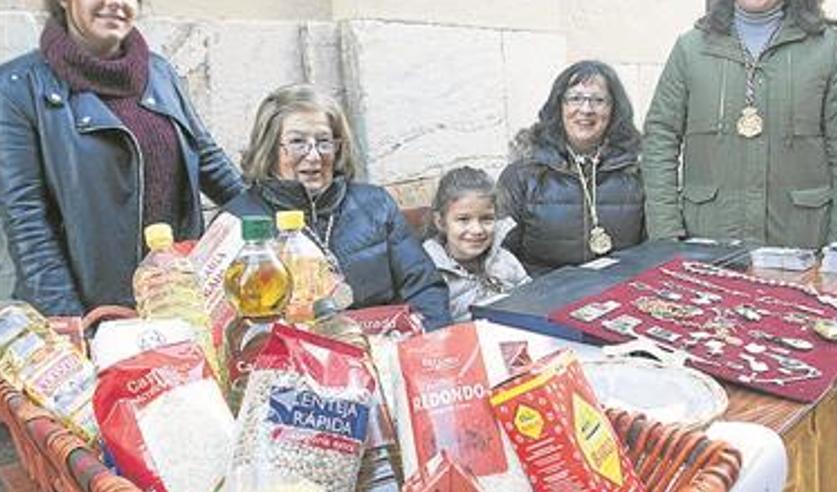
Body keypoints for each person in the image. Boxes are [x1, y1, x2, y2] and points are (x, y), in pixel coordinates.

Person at [0, 0, 244, 316]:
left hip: (175, 304)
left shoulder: (160, 73)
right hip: (93, 315)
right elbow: (27, 223)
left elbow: (211, 163)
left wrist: (282, 233)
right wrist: (78, 329)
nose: (115, 3)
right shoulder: (13, 89)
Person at [642, 0, 837, 248]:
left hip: (802, 248)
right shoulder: (691, 49)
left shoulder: (826, 50)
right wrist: (665, 234)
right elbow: (659, 139)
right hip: (706, 247)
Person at [225, 84, 452, 330]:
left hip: (381, 350)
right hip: (289, 361)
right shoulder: (236, 221)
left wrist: (429, 349)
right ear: (269, 149)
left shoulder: (375, 205)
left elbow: (425, 289)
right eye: (298, 142)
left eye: (324, 142)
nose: (313, 155)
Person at [498, 60, 645, 275]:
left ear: (614, 110)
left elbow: (652, 252)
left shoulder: (638, 172)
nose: (586, 109)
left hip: (619, 291)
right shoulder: (522, 174)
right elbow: (501, 256)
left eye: (598, 100)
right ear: (559, 106)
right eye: (575, 98)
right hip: (542, 296)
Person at [423, 167, 530, 321]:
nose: (477, 230)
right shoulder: (430, 274)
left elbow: (531, 301)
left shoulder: (505, 261)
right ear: (441, 222)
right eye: (463, 219)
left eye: (486, 218)